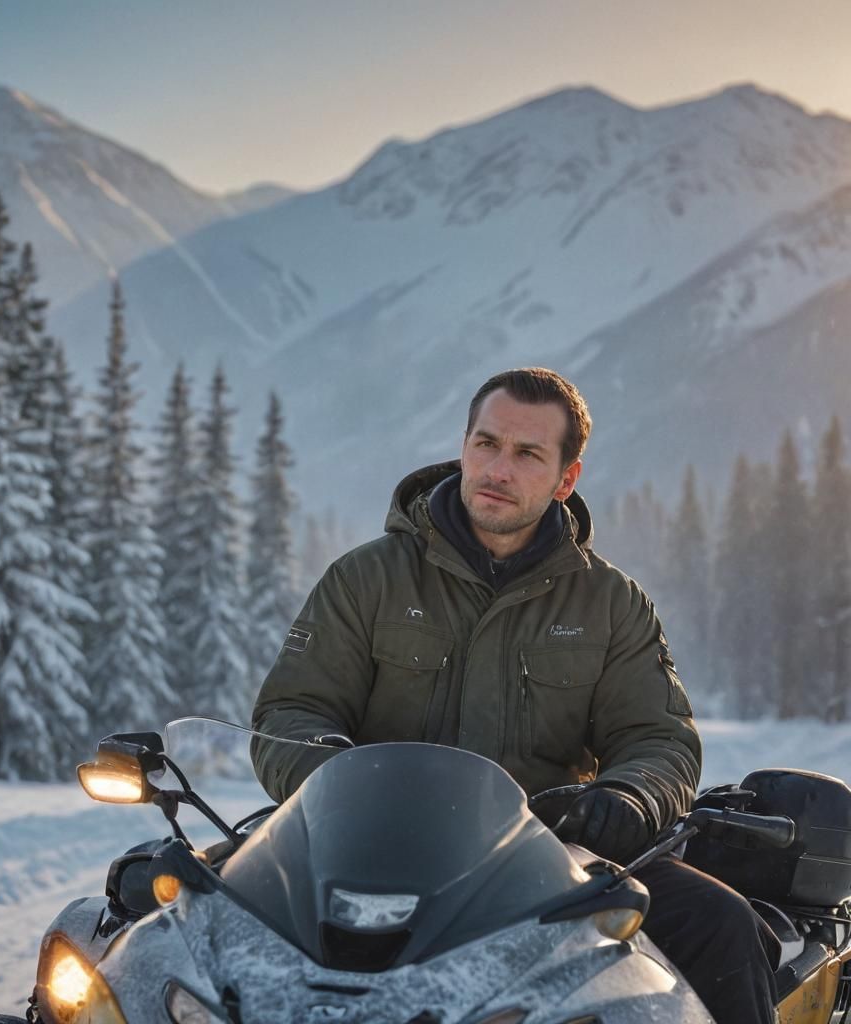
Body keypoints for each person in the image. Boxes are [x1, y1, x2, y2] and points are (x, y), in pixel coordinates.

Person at [251, 367, 779, 1024]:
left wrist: (628, 797)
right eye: (486, 443)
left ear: (565, 479)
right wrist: (332, 775)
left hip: (550, 859)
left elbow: (657, 737)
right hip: (362, 852)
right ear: (464, 444)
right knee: (177, 906)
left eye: (527, 454)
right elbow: (290, 712)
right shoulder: (367, 579)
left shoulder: (610, 603)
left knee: (721, 923)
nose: (498, 468)